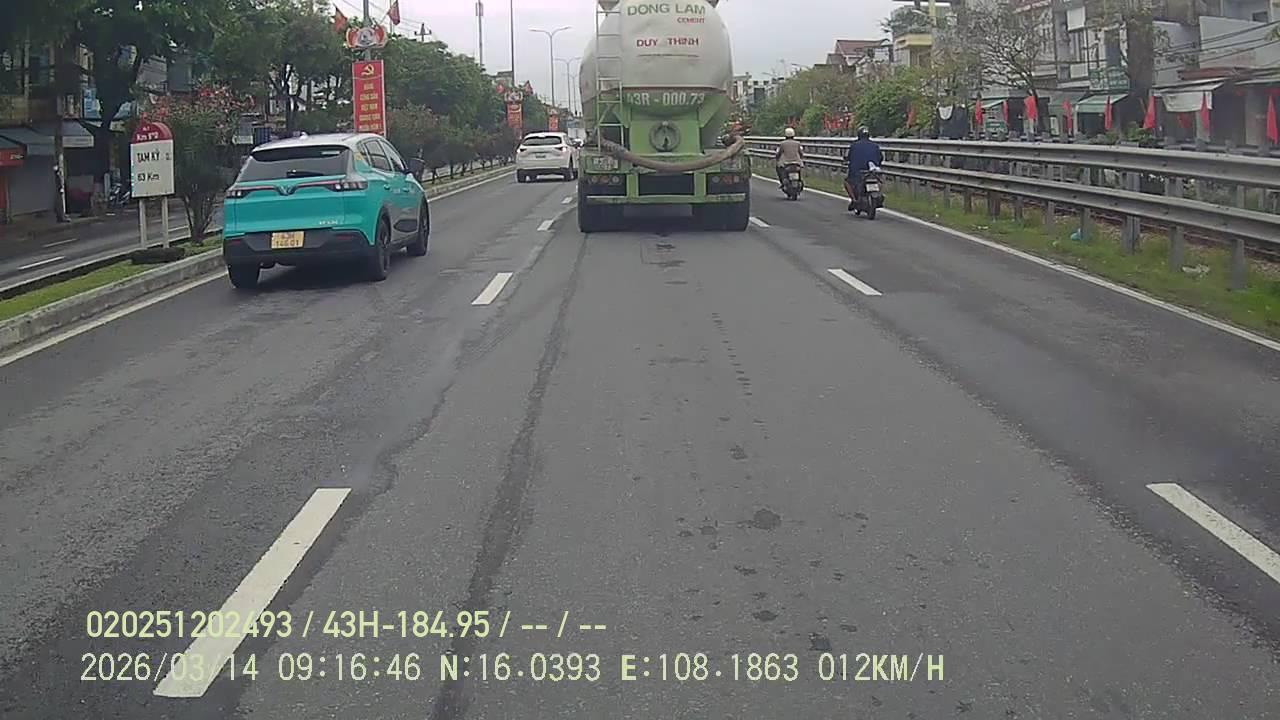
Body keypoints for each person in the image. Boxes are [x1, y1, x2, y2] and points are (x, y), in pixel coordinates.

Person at [844, 126, 883, 211]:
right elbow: (880, 158)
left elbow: (848, 157)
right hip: (872, 171)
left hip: (857, 172)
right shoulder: (875, 146)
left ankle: (854, 200)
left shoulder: (854, 145)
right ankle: (878, 195)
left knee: (847, 182)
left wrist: (847, 161)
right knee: (879, 181)